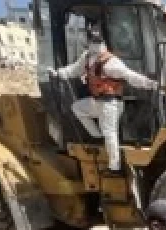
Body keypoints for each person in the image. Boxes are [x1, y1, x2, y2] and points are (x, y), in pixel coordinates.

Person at [52, 27, 157, 173]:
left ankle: (114, 166)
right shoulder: (87, 57)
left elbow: (130, 76)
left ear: (101, 42)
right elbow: (74, 70)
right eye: (92, 41)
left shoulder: (110, 62)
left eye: (96, 41)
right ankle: (96, 136)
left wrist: (150, 84)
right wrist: (59, 73)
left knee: (110, 132)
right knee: (78, 108)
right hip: (97, 102)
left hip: (111, 104)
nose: (94, 44)